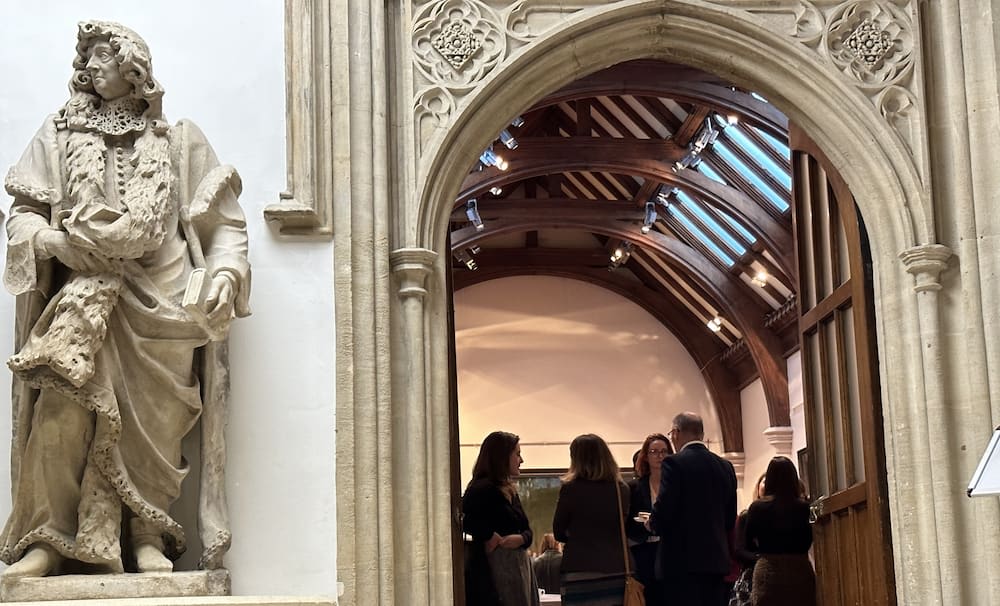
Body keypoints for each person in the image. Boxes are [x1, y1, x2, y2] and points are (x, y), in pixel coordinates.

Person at [0, 21, 250, 578]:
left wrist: (227, 275)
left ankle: (147, 534)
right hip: (84, 294)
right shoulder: (58, 134)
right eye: (85, 57)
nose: (90, 66)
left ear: (132, 65)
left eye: (102, 55)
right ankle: (50, 537)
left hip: (162, 301)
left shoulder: (178, 139)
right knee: (61, 411)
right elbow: (22, 217)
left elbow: (224, 226)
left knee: (155, 424)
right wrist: (52, 241)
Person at [647, 412, 737, 605]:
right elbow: (730, 519)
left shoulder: (674, 463)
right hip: (716, 562)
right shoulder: (725, 466)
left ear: (676, 433)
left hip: (681, 563)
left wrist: (652, 523)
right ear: (701, 434)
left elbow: (665, 507)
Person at [462, 431, 540, 606]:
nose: (521, 460)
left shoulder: (510, 490)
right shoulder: (481, 489)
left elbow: (527, 529)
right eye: (517, 454)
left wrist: (521, 538)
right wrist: (489, 535)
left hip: (518, 568)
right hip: (494, 573)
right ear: (502, 456)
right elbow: (463, 519)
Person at [552, 433, 631, 605]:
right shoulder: (621, 490)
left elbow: (558, 532)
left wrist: (578, 536)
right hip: (615, 570)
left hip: (579, 569)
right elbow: (622, 527)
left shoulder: (570, 489)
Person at [744, 457, 815, 606]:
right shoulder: (803, 508)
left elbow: (748, 540)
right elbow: (808, 539)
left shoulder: (757, 508)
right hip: (799, 569)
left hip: (768, 569)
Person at [626, 433, 673, 603]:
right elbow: (627, 523)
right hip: (643, 550)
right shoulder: (634, 487)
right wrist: (644, 526)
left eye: (664, 451)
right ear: (645, 456)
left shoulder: (676, 485)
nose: (659, 456)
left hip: (670, 550)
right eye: (654, 451)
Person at [729, 474, 767, 606]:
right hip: (751, 574)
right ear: (757, 488)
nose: (767, 486)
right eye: (764, 481)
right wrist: (761, 558)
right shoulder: (747, 516)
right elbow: (739, 550)